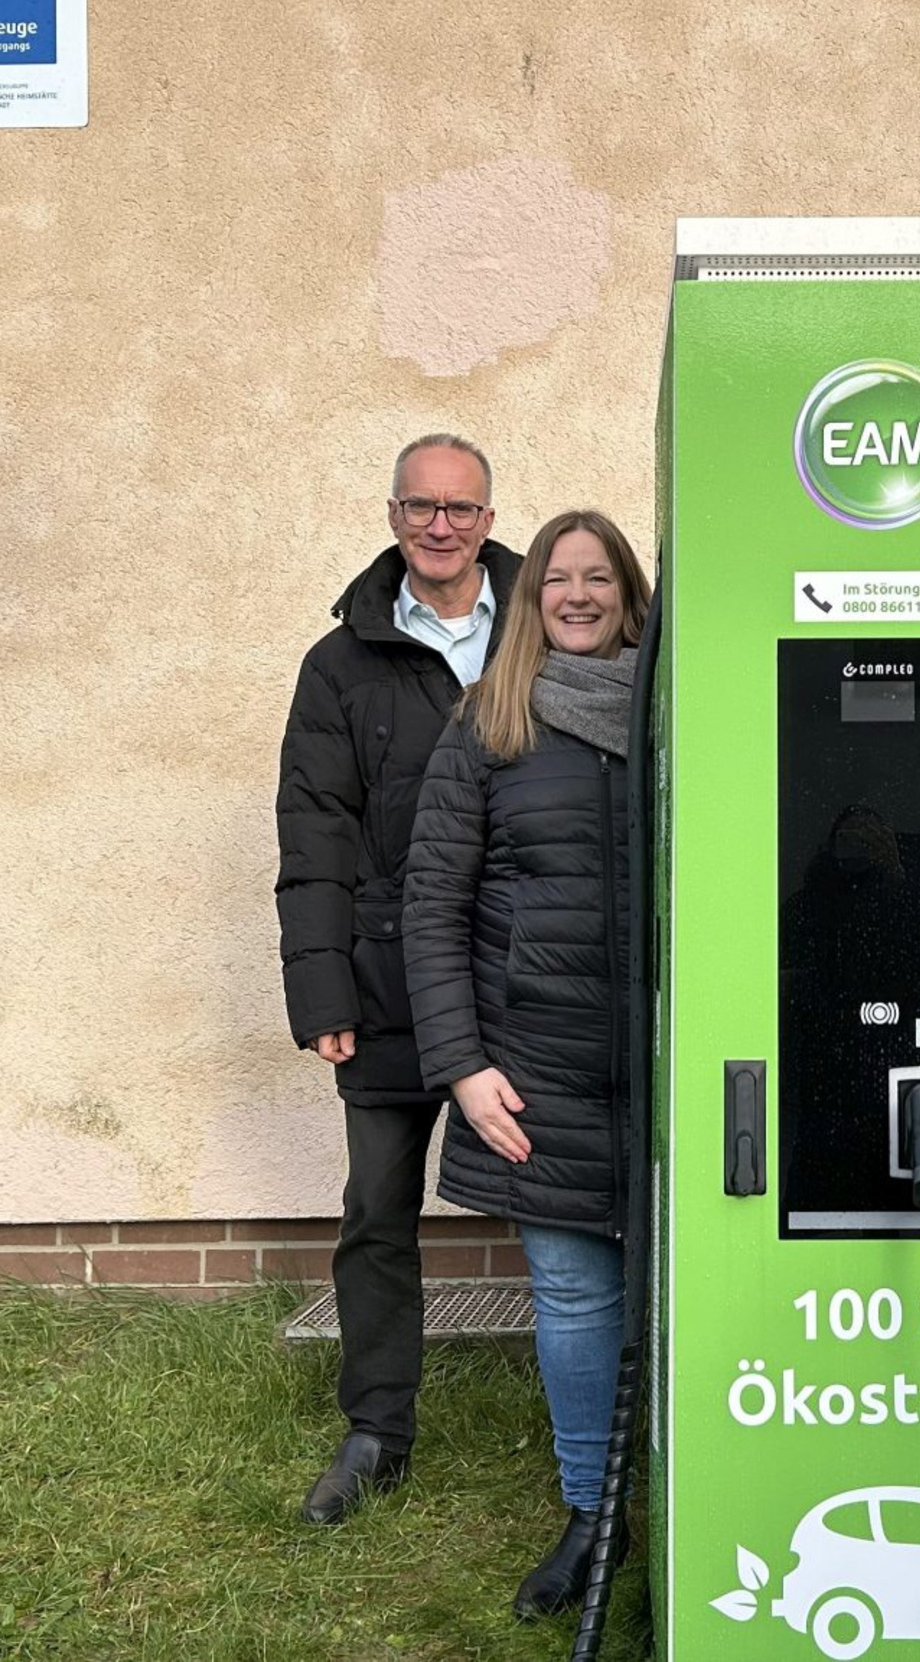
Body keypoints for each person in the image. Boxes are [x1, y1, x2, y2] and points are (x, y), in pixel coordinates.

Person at [403, 509, 651, 1620]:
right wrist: (462, 1066)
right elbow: (432, 909)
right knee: (573, 1296)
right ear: (531, 597)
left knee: (683, 1297)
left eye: (601, 578)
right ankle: (594, 1516)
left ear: (632, 595)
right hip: (534, 1072)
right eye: (560, 579)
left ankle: (693, 1497)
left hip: (671, 1068)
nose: (581, 596)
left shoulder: (681, 717)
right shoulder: (487, 725)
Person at [276, 433, 519, 1525]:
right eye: (420, 506)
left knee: (584, 1201)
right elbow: (314, 829)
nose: (439, 525)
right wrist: (321, 993)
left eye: (459, 508)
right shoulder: (341, 664)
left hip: (524, 973)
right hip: (381, 981)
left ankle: (614, 1416)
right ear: (392, 517)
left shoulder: (549, 631)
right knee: (377, 1205)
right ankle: (378, 1424)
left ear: (487, 517)